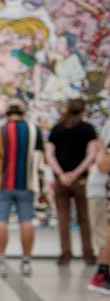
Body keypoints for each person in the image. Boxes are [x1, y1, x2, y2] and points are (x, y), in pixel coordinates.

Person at [0, 102, 43, 276]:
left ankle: (1, 262)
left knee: (1, 221)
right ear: (23, 113)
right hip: (27, 183)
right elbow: (40, 158)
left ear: (7, 114)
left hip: (2, 184)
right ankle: (26, 263)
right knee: (26, 221)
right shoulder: (35, 131)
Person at [47, 98, 100, 265]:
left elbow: (49, 154)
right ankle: (88, 255)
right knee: (84, 218)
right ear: (83, 111)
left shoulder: (57, 129)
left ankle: (65, 254)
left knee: (63, 218)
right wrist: (76, 173)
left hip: (60, 181)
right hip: (82, 180)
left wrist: (61, 174)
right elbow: (91, 155)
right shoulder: (88, 129)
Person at [90, 123, 110, 292]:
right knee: (105, 233)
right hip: (101, 190)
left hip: (101, 189)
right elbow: (103, 164)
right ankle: (102, 275)